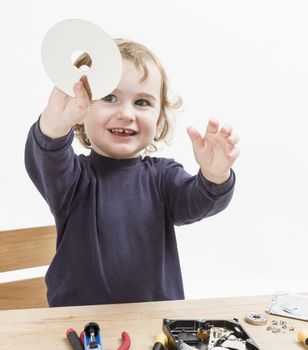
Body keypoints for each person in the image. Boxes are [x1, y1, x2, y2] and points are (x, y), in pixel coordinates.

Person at [25, 39, 240, 307]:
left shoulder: (163, 177)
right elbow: (47, 158)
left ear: (160, 119)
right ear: (80, 109)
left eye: (141, 102)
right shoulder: (71, 179)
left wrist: (214, 175)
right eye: (109, 98)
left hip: (154, 327)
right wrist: (54, 126)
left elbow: (197, 200)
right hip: (77, 327)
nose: (126, 113)